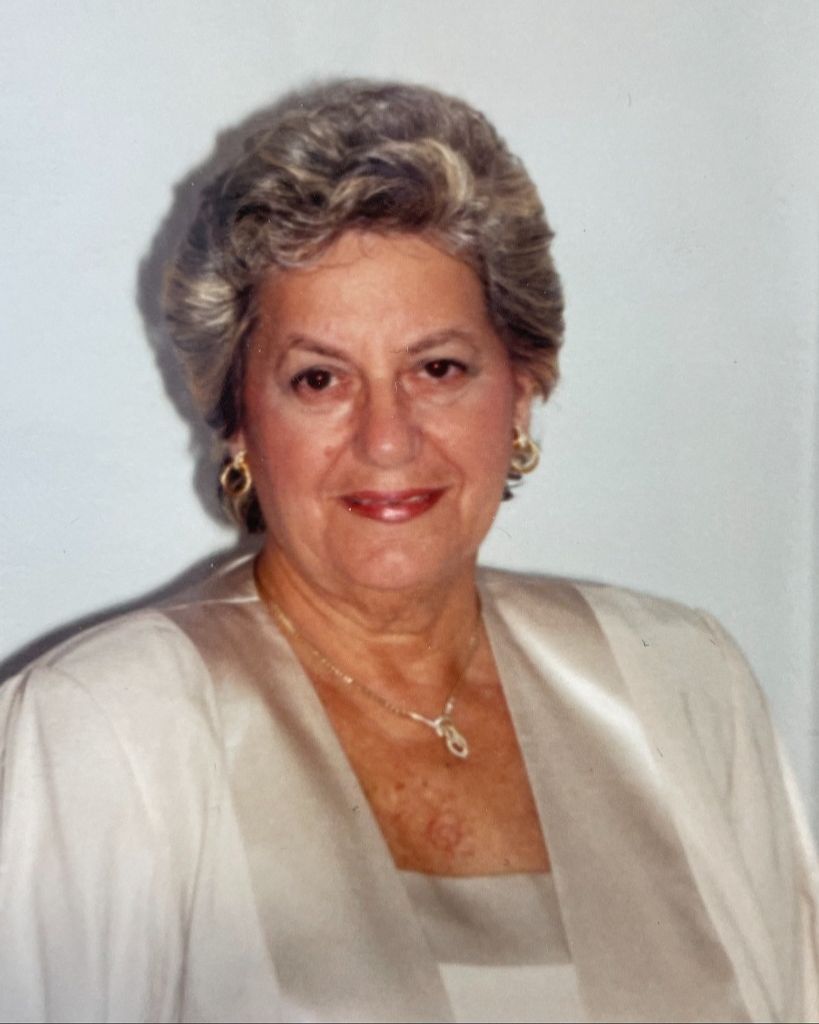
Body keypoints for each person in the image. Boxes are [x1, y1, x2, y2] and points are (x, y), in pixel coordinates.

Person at [0, 79, 816, 1024]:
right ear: (237, 421)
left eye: (437, 368)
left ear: (519, 391)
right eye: (319, 379)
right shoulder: (104, 732)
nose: (386, 440)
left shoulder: (682, 683)